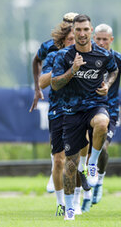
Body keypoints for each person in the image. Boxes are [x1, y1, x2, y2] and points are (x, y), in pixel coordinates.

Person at [51, 14, 118, 221]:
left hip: (95, 106)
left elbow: (114, 70)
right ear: (73, 32)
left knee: (102, 122)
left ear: (91, 31)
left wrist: (107, 83)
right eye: (78, 30)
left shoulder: (103, 55)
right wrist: (73, 70)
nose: (82, 34)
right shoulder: (63, 56)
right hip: (70, 113)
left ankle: (92, 164)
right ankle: (70, 209)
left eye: (85, 30)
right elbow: (54, 84)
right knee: (70, 166)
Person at [87, 23, 121, 208]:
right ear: (94, 38)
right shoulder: (86, 57)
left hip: (110, 110)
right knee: (85, 149)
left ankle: (99, 181)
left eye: (104, 39)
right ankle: (83, 192)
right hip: (86, 109)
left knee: (103, 148)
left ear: (111, 40)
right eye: (98, 39)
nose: (101, 43)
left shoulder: (119, 60)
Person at [29, 12, 78, 194]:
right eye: (68, 24)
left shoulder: (86, 47)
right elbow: (36, 61)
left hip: (81, 102)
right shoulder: (50, 47)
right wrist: (37, 89)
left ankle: (85, 176)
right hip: (58, 98)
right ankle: (55, 169)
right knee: (58, 148)